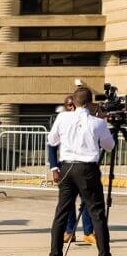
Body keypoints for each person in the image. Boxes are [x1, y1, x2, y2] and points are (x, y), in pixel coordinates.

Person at [47, 87, 116, 256]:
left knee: (61, 212)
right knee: (97, 214)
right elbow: (109, 147)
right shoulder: (98, 123)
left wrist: (55, 167)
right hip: (87, 168)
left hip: (67, 167)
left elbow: (52, 141)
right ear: (91, 102)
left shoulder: (62, 118)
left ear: (74, 102)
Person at [48, 95, 95, 245]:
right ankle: (70, 231)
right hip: (66, 166)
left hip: (84, 167)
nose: (72, 108)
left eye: (73, 104)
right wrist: (55, 168)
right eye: (68, 106)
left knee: (87, 200)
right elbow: (51, 145)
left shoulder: (87, 121)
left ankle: (88, 232)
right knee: (67, 202)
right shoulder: (62, 121)